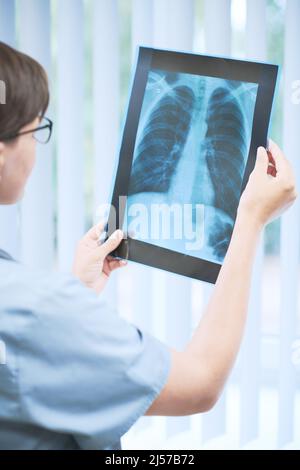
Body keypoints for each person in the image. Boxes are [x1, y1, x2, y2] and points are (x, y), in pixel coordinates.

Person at [0, 41, 297, 450]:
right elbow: (200, 383)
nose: (38, 143)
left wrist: (75, 292)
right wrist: (251, 220)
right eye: (38, 128)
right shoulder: (33, 312)